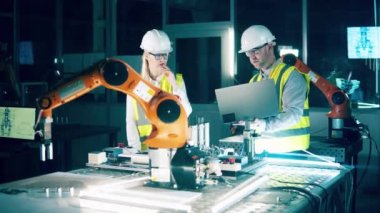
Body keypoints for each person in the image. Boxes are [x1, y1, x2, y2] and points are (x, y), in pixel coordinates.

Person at [237, 25, 310, 154]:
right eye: (248, 53)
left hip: (292, 152)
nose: (252, 56)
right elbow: (255, 119)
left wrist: (265, 125)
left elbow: (294, 114)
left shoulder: (290, 74)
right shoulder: (254, 81)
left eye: (256, 50)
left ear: (270, 46)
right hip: (263, 152)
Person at [126, 29, 192, 153]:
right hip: (146, 153)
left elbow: (187, 112)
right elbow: (131, 122)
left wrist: (175, 86)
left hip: (172, 151)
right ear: (146, 56)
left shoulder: (176, 81)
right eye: (157, 55)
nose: (162, 59)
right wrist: (135, 154)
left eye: (165, 54)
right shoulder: (135, 85)